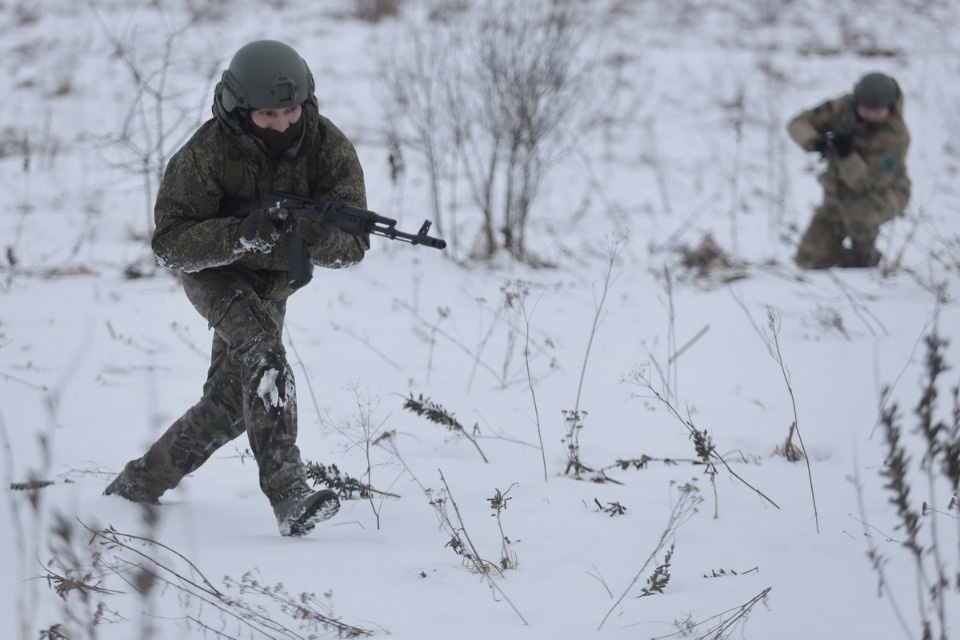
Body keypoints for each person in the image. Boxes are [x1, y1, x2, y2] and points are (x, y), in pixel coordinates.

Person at [104, 40, 369, 537]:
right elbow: (169, 243)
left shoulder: (329, 148)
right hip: (215, 272)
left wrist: (319, 238)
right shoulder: (207, 152)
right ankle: (289, 492)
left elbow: (353, 246)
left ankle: (138, 484)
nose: (283, 123)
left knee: (229, 405)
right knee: (263, 354)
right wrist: (241, 234)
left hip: (274, 280)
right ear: (240, 107)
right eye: (269, 113)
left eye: (292, 109)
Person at [787, 71, 910, 269]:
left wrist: (845, 154)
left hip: (882, 195)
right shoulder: (842, 107)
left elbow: (869, 182)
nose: (872, 114)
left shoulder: (896, 137)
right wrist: (816, 142)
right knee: (808, 259)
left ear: (890, 106)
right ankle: (846, 259)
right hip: (838, 193)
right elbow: (799, 123)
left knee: (860, 210)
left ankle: (865, 254)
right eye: (866, 109)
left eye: (878, 110)